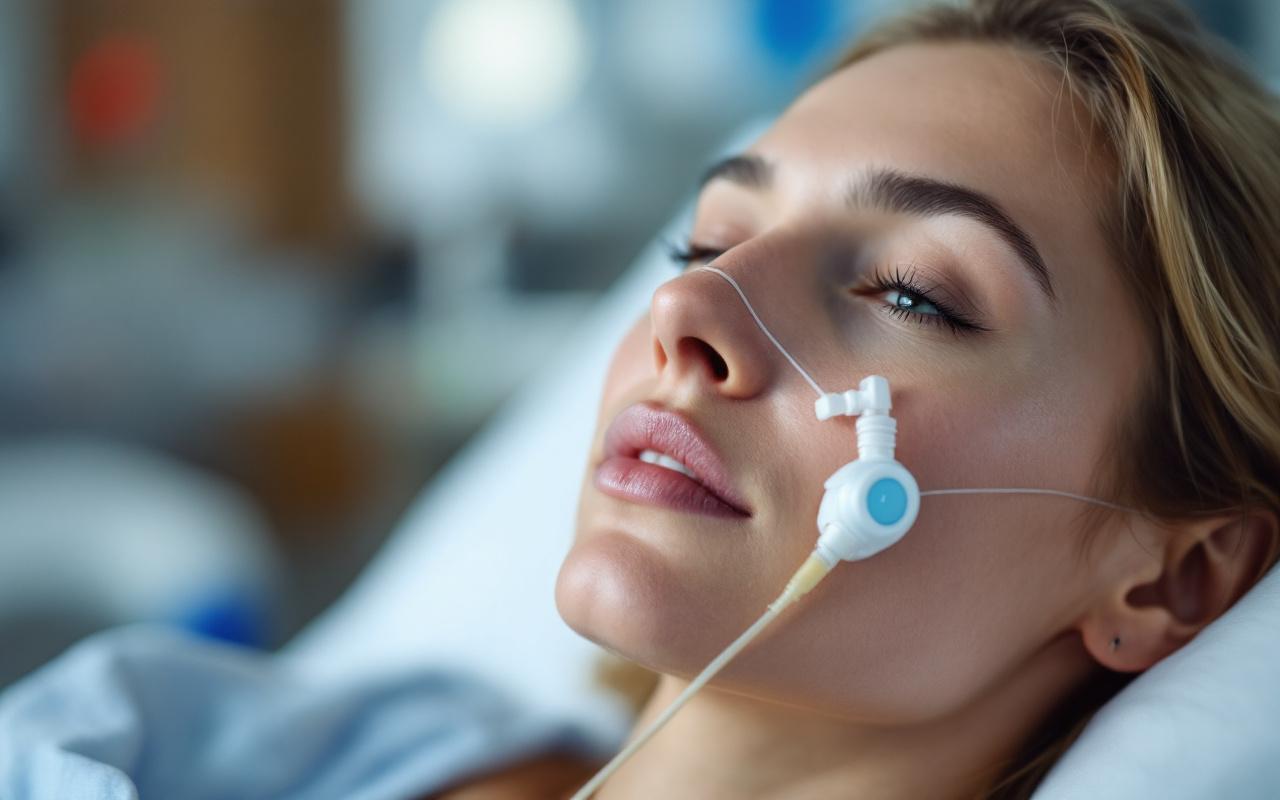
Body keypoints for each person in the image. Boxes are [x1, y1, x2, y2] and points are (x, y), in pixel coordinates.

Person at [2, 1, 1278, 799]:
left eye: (907, 292)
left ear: (1172, 581)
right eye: (704, 240)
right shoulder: (242, 738)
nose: (688, 314)